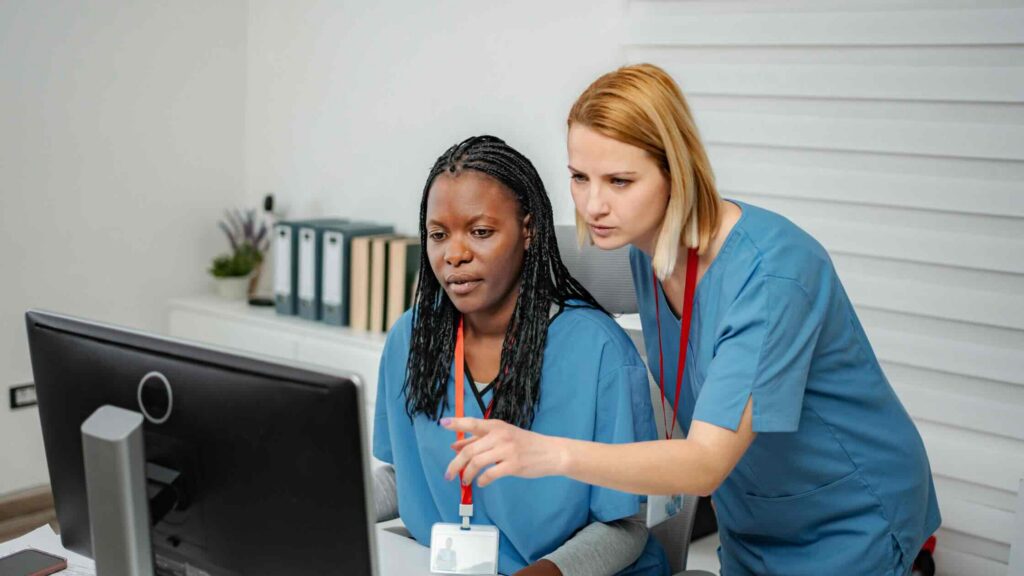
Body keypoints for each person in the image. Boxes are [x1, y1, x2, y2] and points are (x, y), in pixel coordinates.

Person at [443, 65, 941, 575]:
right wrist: (464, 252)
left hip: (852, 521)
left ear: (676, 171)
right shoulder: (645, 246)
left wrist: (546, 455)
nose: (594, 205)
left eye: (620, 180)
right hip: (753, 520)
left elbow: (704, 462)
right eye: (579, 177)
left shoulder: (772, 275)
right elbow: (541, 254)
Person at [372, 135, 670, 576]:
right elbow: (407, 476)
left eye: (481, 232)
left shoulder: (599, 352)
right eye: (438, 235)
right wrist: (314, 500)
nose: (454, 254)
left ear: (528, 231)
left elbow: (625, 525)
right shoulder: (412, 338)